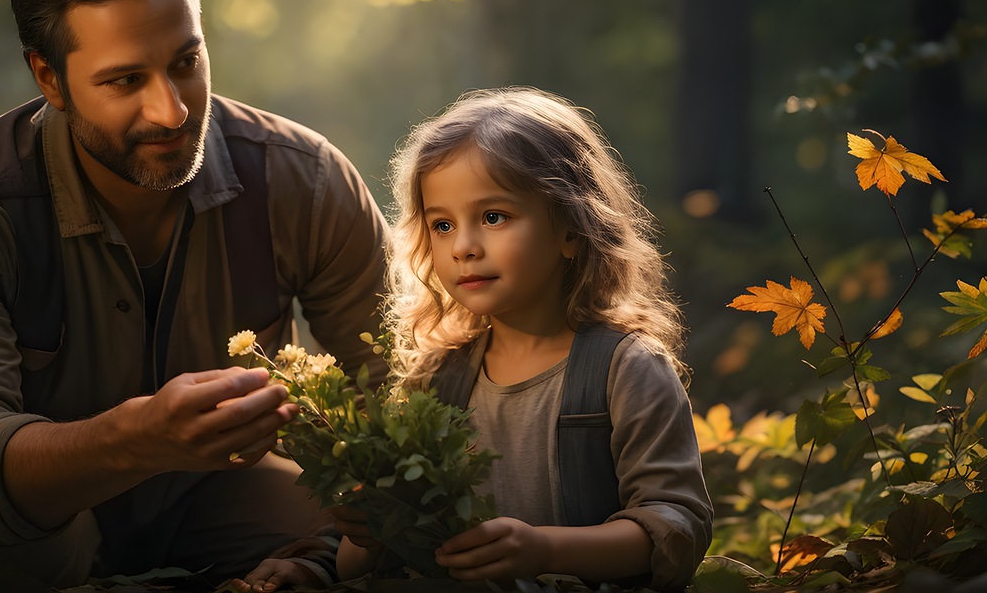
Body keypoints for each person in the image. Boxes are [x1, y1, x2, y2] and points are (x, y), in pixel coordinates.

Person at [0, 0, 388, 587]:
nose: (171, 110)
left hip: (208, 498)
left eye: (185, 62)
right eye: (124, 80)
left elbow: (404, 391)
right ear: (49, 78)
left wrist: (330, 555)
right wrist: (136, 439)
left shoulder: (306, 183)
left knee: (367, 528)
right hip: (15, 529)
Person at [252, 87, 710, 590]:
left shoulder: (625, 369)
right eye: (443, 225)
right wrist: (368, 536)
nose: (464, 247)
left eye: (494, 217)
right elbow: (382, 555)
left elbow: (676, 530)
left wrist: (543, 549)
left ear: (571, 229)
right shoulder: (437, 378)